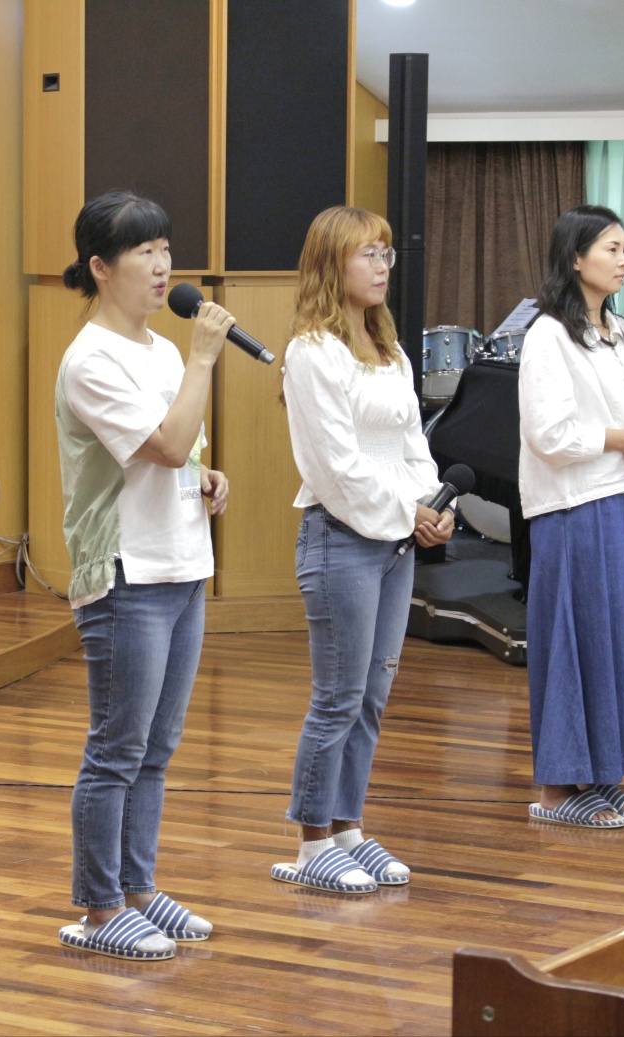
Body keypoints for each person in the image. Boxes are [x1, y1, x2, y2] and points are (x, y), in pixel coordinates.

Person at [53, 191, 232, 960]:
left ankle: (137, 889)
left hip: (181, 562)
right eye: (143, 251)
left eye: (164, 248)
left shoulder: (160, 350)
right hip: (125, 571)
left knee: (156, 747)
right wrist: (203, 360)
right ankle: (99, 908)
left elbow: (180, 454)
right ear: (101, 267)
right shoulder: (90, 359)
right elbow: (164, 444)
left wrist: (208, 476)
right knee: (116, 747)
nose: (162, 265)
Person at [272, 206, 455, 894]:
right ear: (332, 263)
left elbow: (413, 448)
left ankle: (347, 828)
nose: (382, 267)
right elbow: (336, 467)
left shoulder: (390, 350)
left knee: (372, 696)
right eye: (368, 255)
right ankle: (312, 840)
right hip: (341, 539)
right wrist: (408, 512)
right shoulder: (310, 352)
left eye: (386, 254)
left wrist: (436, 507)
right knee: (338, 697)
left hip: (395, 541)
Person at [518, 203, 624, 829]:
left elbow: (616, 415)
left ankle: (603, 774)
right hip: (573, 505)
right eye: (611, 249)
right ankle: (557, 789)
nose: (622, 260)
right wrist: (621, 438)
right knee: (575, 638)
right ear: (576, 257)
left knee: (616, 640)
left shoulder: (619, 331)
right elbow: (548, 433)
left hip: (623, 499)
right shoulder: (547, 334)